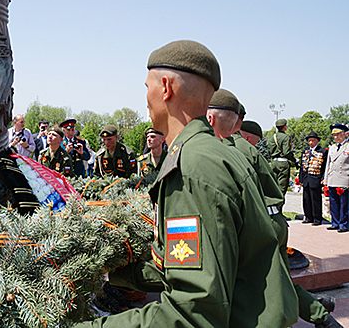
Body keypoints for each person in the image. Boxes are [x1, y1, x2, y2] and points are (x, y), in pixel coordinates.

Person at [74, 40, 298, 327]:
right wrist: (112, 271)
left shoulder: (191, 167)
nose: (145, 98)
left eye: (147, 87)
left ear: (165, 87)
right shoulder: (216, 153)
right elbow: (201, 267)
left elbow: (193, 313)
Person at [240, 120, 339, 328]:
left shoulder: (235, 149)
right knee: (280, 276)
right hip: (273, 218)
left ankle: (313, 309)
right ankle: (318, 309)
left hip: (259, 223)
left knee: (270, 278)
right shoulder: (251, 150)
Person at [268, 118, 298, 210]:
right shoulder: (286, 137)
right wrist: (294, 160)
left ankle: (272, 209)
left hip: (274, 163)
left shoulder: (272, 138)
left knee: (274, 187)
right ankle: (279, 211)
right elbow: (286, 152)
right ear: (285, 127)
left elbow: (269, 151)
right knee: (282, 188)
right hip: (283, 163)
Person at [324, 123, 349, 233]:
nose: (336, 137)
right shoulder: (332, 148)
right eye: (334, 135)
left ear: (345, 134)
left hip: (344, 179)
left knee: (344, 204)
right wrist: (326, 179)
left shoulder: (347, 147)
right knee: (333, 203)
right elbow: (328, 165)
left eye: (338, 134)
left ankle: (344, 224)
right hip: (333, 179)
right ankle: (335, 222)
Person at [299, 132, 328, 226]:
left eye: (313, 140)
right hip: (306, 179)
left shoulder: (322, 151)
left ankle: (317, 218)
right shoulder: (305, 152)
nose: (311, 142)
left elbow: (324, 167)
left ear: (317, 141)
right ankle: (308, 217)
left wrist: (323, 178)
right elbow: (302, 167)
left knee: (316, 200)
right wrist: (301, 179)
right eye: (309, 140)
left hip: (316, 178)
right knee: (306, 199)